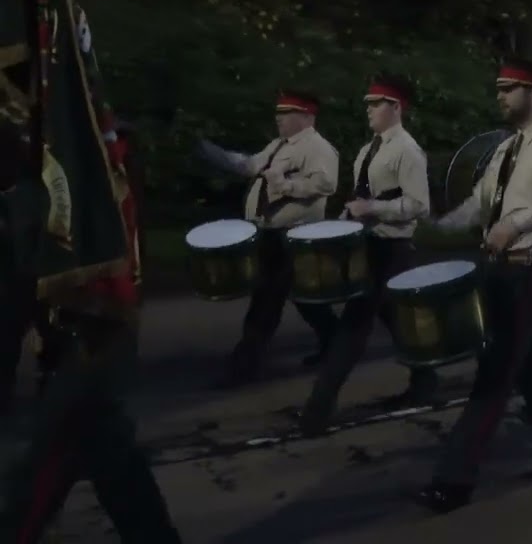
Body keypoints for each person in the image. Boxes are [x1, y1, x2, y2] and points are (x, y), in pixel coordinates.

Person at [419, 60, 532, 514]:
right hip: (496, 269)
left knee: (495, 373)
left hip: (531, 269)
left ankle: (453, 479)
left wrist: (520, 222)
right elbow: (479, 204)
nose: (499, 96)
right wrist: (430, 223)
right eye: (498, 88)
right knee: (524, 363)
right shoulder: (504, 149)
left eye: (508, 88)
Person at [1, 121, 183, 544]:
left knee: (37, 480)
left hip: (87, 339)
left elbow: (23, 286)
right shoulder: (64, 168)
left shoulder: (60, 180)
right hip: (86, 337)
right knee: (112, 465)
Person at [298, 73, 436, 435]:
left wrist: (374, 208)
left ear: (396, 107)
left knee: (354, 326)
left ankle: (318, 409)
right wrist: (346, 219)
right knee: (398, 320)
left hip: (392, 248)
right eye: (368, 104)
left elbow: (420, 205)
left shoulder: (407, 150)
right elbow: (362, 197)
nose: (369, 110)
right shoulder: (368, 149)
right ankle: (426, 382)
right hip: (369, 244)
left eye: (376, 104)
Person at [197, 90, 341, 387]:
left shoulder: (318, 147)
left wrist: (285, 185)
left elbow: (325, 184)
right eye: (279, 112)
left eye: (287, 113)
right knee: (305, 298)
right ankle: (337, 345)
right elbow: (250, 166)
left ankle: (243, 368)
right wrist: (206, 149)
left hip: (296, 235)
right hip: (272, 234)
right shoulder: (278, 145)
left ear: (306, 117)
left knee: (266, 302)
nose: (279, 118)